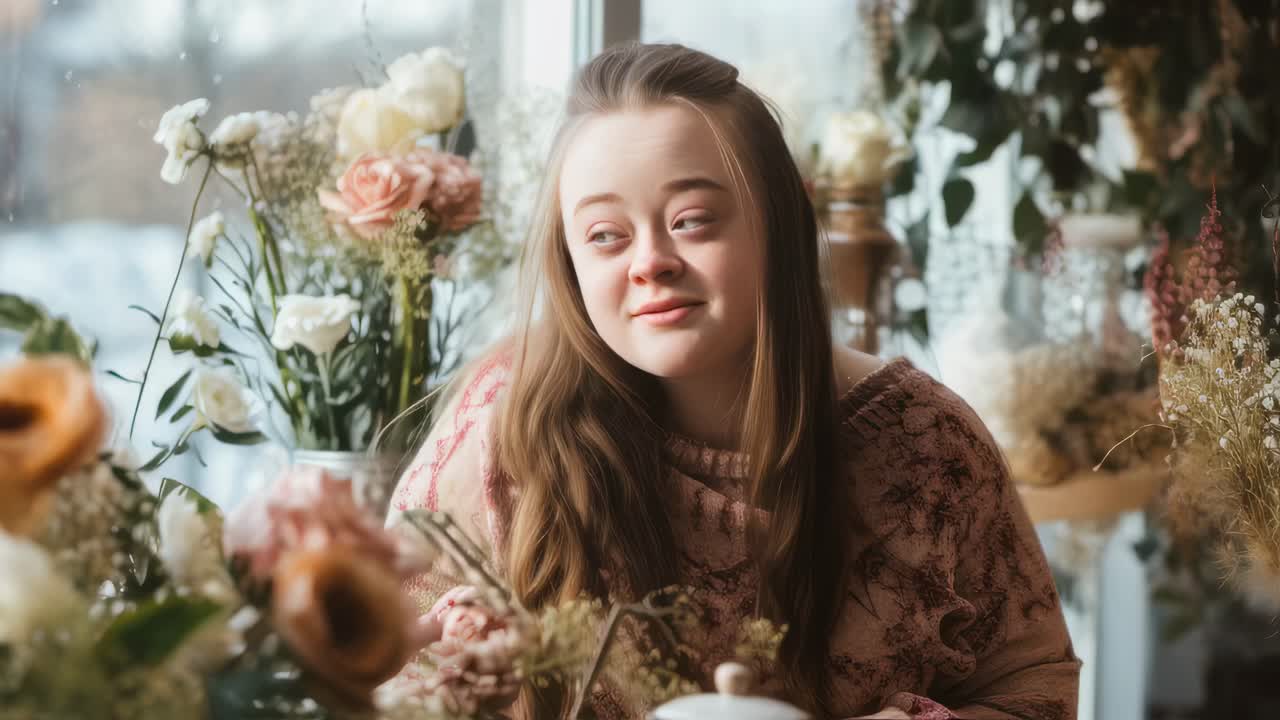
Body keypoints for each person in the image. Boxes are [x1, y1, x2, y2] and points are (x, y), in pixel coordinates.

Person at [388, 42, 1080, 720]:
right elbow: (389, 680)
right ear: (569, 263)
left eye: (691, 220)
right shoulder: (502, 433)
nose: (650, 262)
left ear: (777, 225)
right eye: (605, 235)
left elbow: (1038, 690)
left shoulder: (928, 446)